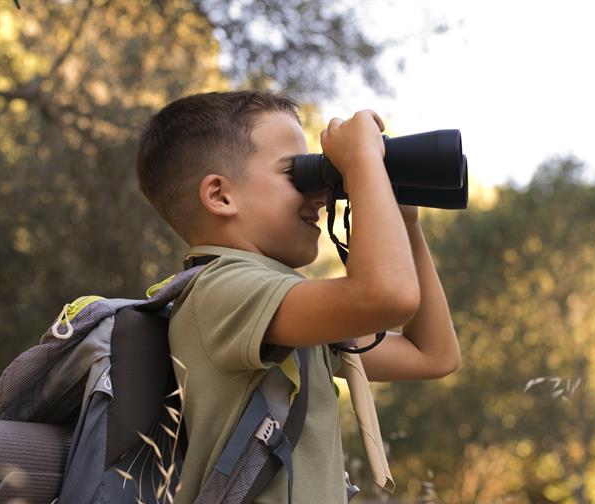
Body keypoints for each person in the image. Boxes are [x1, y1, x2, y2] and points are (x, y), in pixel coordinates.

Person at [135, 90, 460, 503]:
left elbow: (432, 354)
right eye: (298, 174)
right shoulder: (223, 290)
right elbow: (387, 296)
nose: (321, 195)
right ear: (220, 196)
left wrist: (404, 220)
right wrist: (362, 166)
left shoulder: (283, 307)